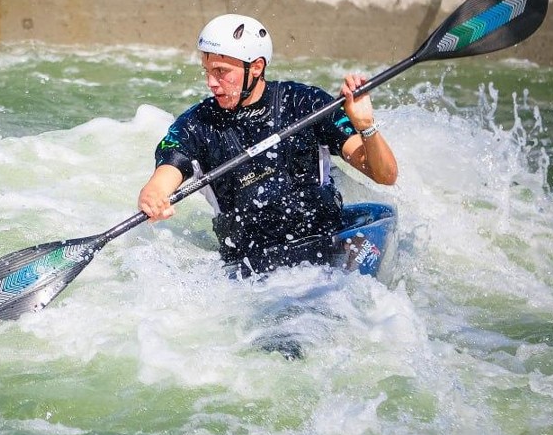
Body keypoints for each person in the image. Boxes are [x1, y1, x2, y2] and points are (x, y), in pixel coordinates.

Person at [138, 14, 398, 276]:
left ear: (257, 67)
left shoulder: (304, 104)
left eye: (221, 72)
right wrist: (153, 195)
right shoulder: (196, 125)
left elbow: (384, 174)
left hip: (325, 250)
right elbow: (165, 176)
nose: (211, 83)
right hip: (254, 270)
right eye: (207, 71)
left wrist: (366, 126)